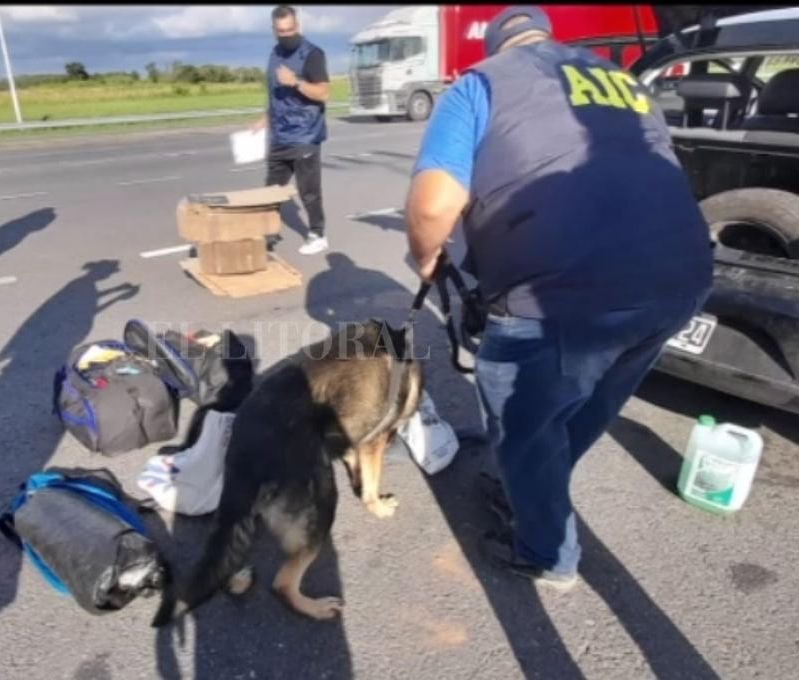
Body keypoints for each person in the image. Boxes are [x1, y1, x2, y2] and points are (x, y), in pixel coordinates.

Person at [405, 6, 713, 589]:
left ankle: (548, 551)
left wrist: (426, 259)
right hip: (681, 278)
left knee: (520, 419)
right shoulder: (624, 81)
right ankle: (534, 485)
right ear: (548, 36)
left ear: (495, 45)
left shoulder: (481, 83)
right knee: (589, 401)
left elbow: (432, 206)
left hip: (559, 295)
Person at [252, 5, 331, 255]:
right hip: (280, 135)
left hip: (305, 134)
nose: (286, 35)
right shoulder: (274, 54)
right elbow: (277, 96)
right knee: (270, 191)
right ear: (273, 30)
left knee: (308, 191)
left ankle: (317, 233)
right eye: (280, 31)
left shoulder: (313, 54)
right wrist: (265, 118)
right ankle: (268, 234)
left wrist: (295, 81)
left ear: (298, 26)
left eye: (290, 30)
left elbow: (324, 93)